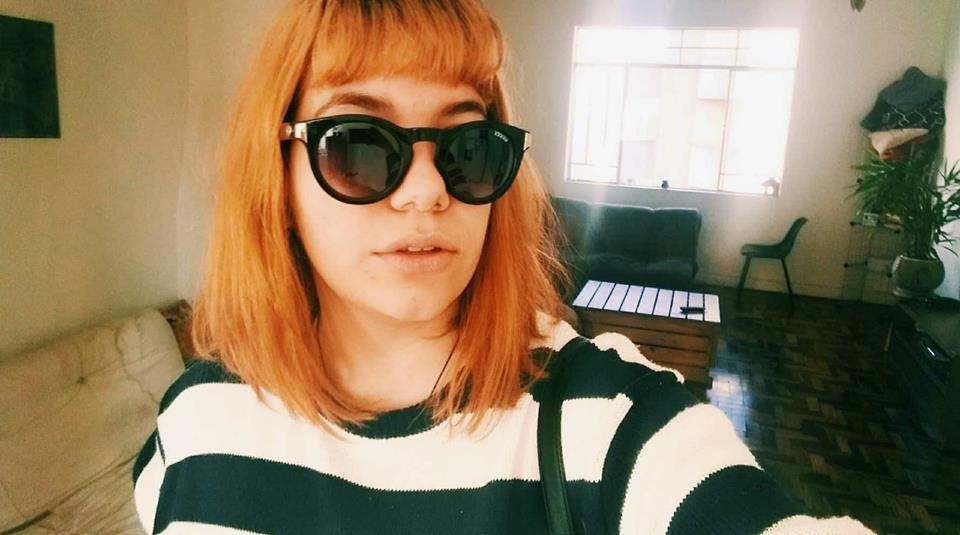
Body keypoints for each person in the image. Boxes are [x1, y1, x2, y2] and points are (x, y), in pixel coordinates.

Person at [133, 1, 873, 533]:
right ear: (279, 179)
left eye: (468, 148)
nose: (427, 191)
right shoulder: (195, 423)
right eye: (357, 144)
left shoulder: (605, 421)